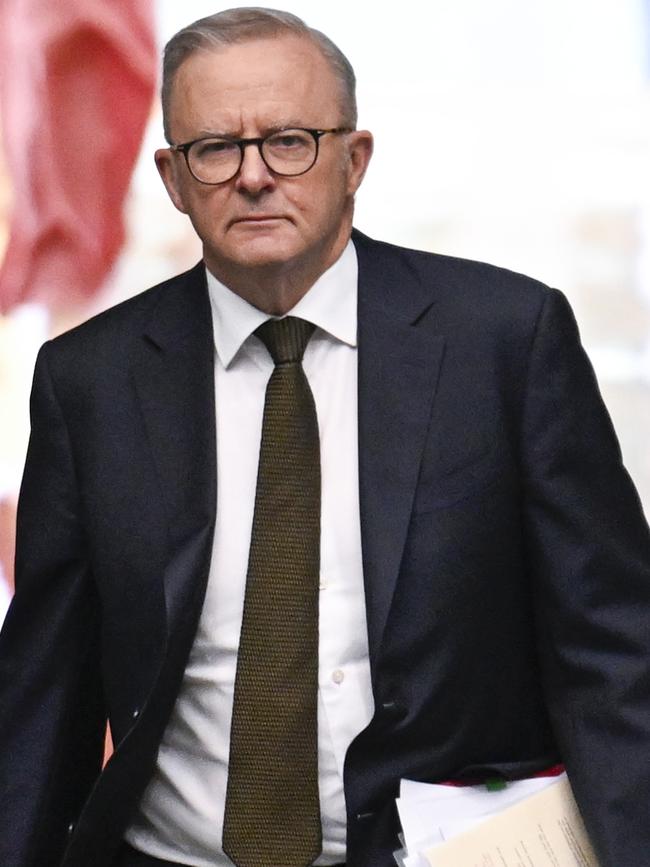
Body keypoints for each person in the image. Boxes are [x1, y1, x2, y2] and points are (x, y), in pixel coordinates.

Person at [1, 7, 649, 867]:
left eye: (292, 141)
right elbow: (45, 691)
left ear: (355, 160)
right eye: (215, 148)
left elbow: (610, 651)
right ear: (171, 176)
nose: (255, 176)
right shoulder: (90, 381)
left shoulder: (505, 340)